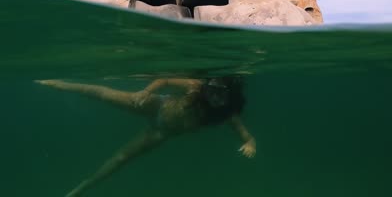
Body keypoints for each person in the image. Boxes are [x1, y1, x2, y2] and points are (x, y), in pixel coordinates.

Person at [35, 76, 256, 197]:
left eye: (221, 95)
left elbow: (247, 136)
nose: (215, 97)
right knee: (103, 94)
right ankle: (59, 84)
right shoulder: (195, 86)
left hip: (162, 132)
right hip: (155, 105)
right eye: (213, 90)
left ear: (230, 99)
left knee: (120, 159)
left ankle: (80, 189)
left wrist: (250, 144)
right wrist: (147, 92)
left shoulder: (226, 114)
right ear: (209, 85)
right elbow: (166, 80)